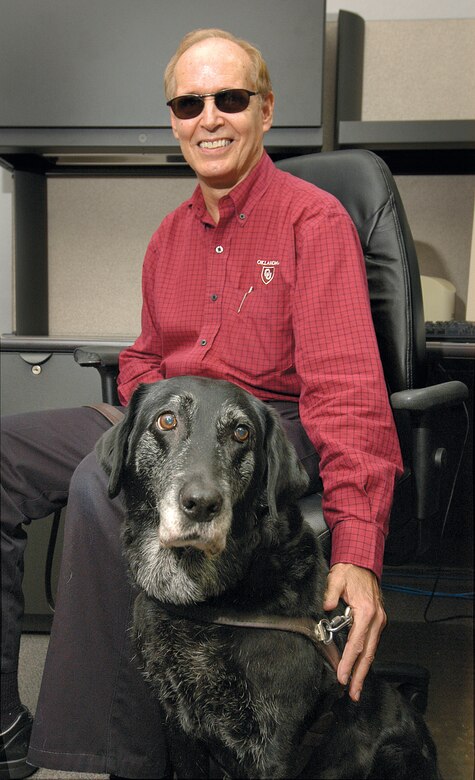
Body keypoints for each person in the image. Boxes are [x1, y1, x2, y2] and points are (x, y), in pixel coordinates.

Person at [1, 28, 403, 780]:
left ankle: (118, 756)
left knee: (100, 480)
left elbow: (347, 391)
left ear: (265, 110)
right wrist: (149, 414)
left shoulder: (312, 223)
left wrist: (357, 550)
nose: (208, 117)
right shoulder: (168, 238)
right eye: (190, 102)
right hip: (168, 415)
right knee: (5, 453)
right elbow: (146, 355)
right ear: (174, 116)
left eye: (229, 99)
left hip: (263, 424)